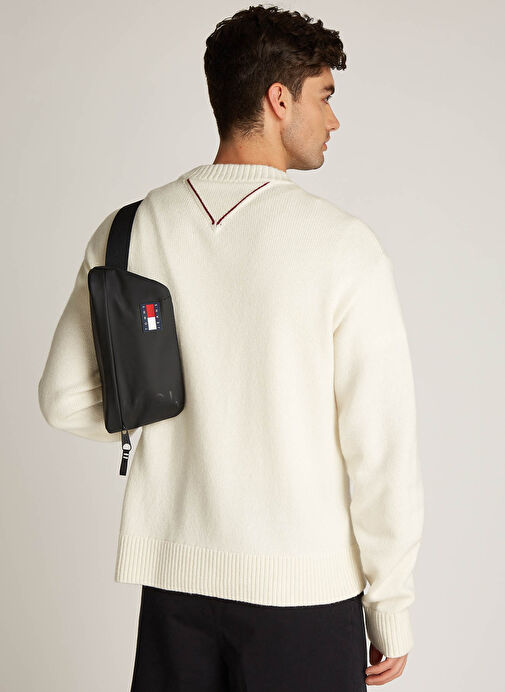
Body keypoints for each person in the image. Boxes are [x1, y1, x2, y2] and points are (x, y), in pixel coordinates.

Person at [38, 5, 424, 690]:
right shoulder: (342, 246)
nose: (334, 119)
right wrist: (389, 605)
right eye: (324, 96)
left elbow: (63, 399)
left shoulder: (130, 229)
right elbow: (381, 447)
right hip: (303, 595)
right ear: (279, 100)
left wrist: (184, 415)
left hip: (174, 590)